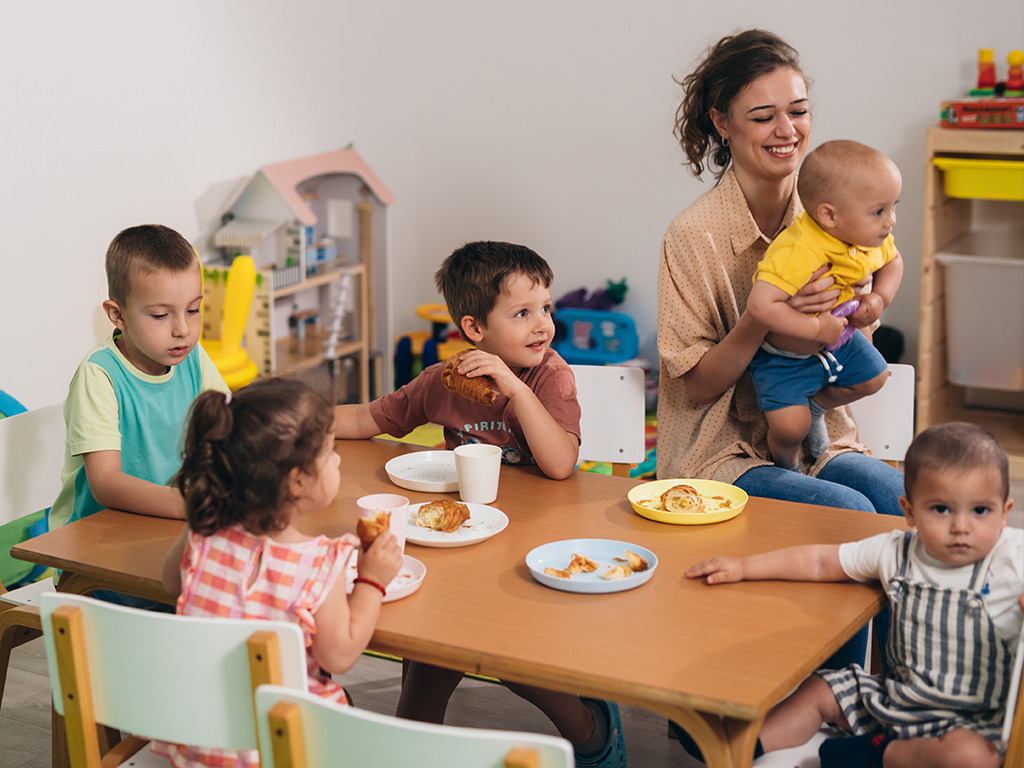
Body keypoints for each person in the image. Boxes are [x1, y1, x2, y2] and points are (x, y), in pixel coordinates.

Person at [334, 241, 625, 768]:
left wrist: (514, 386)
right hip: (464, 544)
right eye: (522, 313)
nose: (543, 325)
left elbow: (560, 463)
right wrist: (299, 420)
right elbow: (366, 420)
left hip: (537, 544)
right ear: (474, 330)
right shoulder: (443, 382)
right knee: (427, 658)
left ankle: (592, 728)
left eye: (545, 308)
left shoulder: (549, 375)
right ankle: (413, 749)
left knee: (510, 664)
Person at [657, 28, 905, 516]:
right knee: (850, 515)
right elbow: (697, 386)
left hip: (819, 441)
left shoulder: (841, 215)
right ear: (722, 123)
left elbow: (857, 344)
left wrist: (861, 304)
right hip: (721, 455)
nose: (787, 130)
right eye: (763, 116)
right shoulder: (692, 235)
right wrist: (763, 316)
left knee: (908, 504)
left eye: (798, 110)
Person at [686, 422, 1023, 768]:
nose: (961, 527)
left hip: (976, 723)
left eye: (980, 511)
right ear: (909, 512)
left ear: (1004, 513)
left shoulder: (1012, 557)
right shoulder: (896, 550)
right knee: (820, 689)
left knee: (971, 759)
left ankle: (877, 753)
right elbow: (820, 561)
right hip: (896, 701)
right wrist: (744, 568)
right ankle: (735, 752)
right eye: (941, 509)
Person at [158, 378, 404, 768]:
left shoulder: (205, 533)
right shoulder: (319, 561)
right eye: (330, 451)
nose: (338, 459)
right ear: (297, 481)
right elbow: (339, 655)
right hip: (282, 749)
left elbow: (172, 582)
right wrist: (372, 581)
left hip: (199, 742)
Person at [48, 224, 228, 608]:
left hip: (166, 533)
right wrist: (190, 504)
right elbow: (107, 483)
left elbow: (229, 428)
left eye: (194, 310)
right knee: (213, 598)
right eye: (161, 315)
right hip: (95, 559)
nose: (183, 329)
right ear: (118, 315)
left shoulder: (193, 358)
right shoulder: (100, 376)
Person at [746, 140, 905, 470]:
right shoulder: (799, 251)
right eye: (879, 211)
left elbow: (894, 261)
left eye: (893, 207)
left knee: (876, 377)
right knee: (791, 429)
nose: (890, 221)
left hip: (838, 346)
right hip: (784, 359)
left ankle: (818, 405)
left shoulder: (870, 238)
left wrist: (878, 298)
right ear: (829, 216)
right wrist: (815, 327)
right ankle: (787, 463)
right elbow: (761, 306)